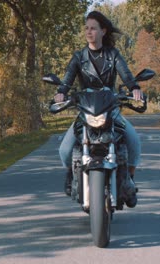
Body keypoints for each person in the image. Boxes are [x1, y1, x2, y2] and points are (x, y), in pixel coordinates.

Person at [54, 11, 140, 207]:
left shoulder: (113, 55)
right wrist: (61, 92)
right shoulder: (79, 57)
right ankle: (72, 175)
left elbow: (126, 75)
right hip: (86, 111)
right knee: (64, 150)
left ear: (103, 31)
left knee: (134, 141)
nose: (89, 32)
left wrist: (134, 88)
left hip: (110, 109)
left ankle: (129, 180)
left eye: (93, 28)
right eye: (86, 28)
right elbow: (66, 80)